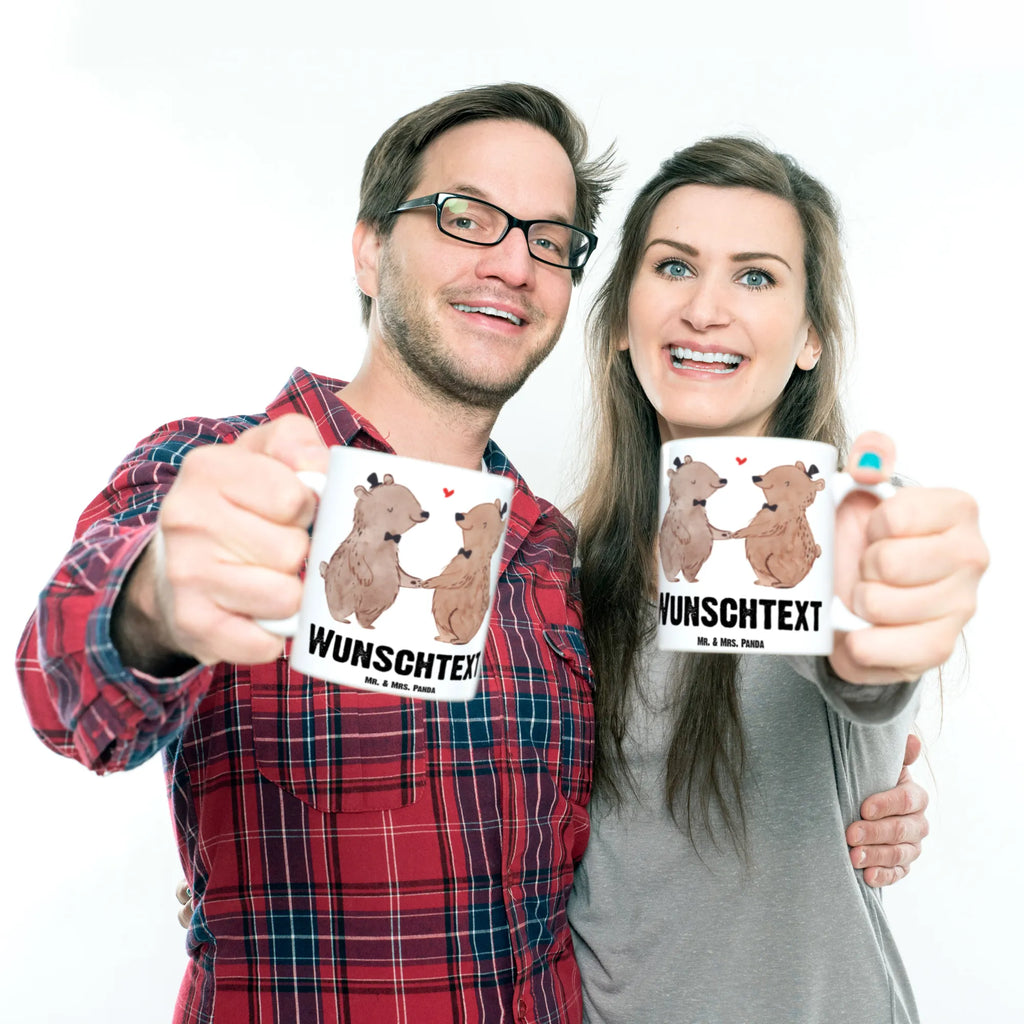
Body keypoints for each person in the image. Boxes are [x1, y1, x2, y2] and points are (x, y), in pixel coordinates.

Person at [19, 84, 937, 1024]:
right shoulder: (222, 473)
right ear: (370, 248)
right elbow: (65, 686)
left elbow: (846, 666)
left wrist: (874, 738)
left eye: (548, 239)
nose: (511, 263)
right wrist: (156, 603)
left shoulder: (552, 559)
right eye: (466, 217)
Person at [568, 136, 989, 1023]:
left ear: (809, 339)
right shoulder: (562, 568)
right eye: (674, 266)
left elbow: (862, 663)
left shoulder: (844, 528)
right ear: (620, 321)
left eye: (755, 276)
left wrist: (883, 630)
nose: (706, 309)